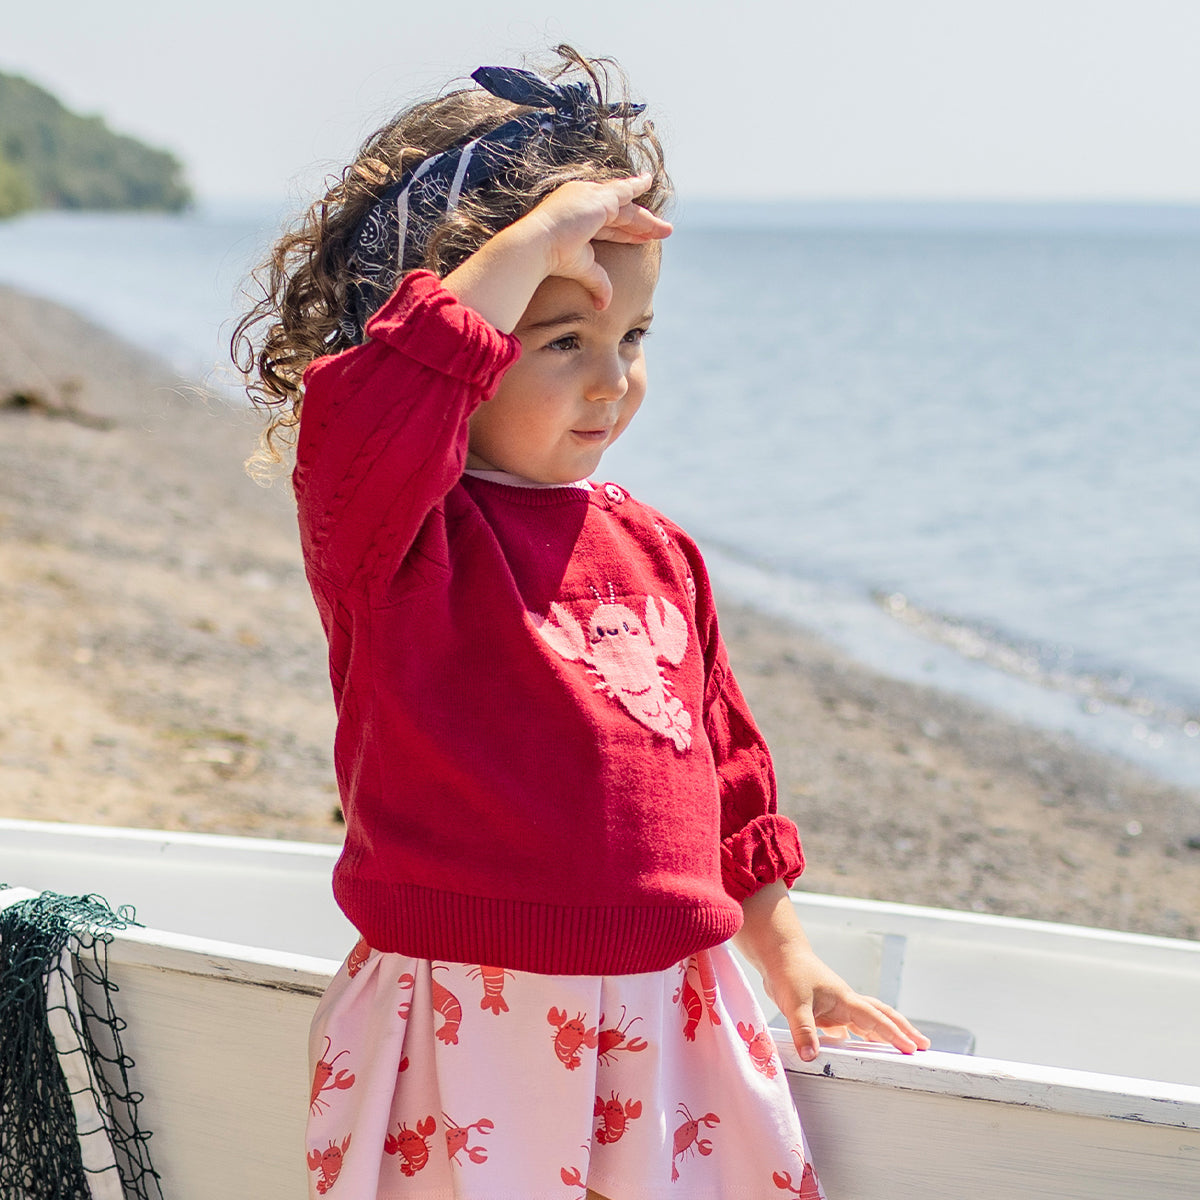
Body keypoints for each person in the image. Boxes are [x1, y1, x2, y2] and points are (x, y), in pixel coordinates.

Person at [235, 46, 929, 1200]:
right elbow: (381, 403)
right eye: (564, 339)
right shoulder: (395, 537)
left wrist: (787, 954)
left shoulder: (657, 549)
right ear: (458, 339)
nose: (614, 381)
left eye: (635, 338)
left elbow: (725, 773)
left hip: (673, 1018)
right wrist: (526, 244)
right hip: (469, 1026)